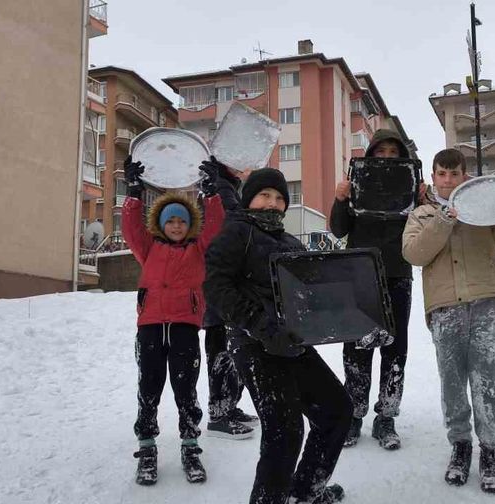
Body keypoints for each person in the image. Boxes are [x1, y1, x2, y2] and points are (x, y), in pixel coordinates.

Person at [204, 168, 352, 504]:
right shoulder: (236, 232)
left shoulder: (290, 242)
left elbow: (311, 294)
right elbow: (216, 287)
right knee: (285, 431)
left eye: (280, 198)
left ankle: (303, 493)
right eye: (265, 195)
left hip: (293, 343)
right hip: (254, 344)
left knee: (337, 409)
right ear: (249, 199)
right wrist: (261, 327)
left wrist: (354, 322)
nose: (273, 203)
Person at [402, 148, 495, 494]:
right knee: (453, 383)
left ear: (464, 175)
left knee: (486, 380)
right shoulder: (422, 214)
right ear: (433, 176)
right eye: (442, 174)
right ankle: (460, 447)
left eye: (454, 174)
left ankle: (490, 450)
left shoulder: (481, 206)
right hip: (444, 309)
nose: (448, 180)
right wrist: (445, 220)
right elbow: (414, 254)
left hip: (483, 302)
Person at [122, 156, 227, 486]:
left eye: (182, 221)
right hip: (151, 328)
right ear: (161, 224)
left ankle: (190, 446)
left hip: (184, 328)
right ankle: (147, 447)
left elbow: (215, 226)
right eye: (171, 221)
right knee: (148, 388)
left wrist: (211, 194)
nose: (177, 226)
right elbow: (131, 228)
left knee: (186, 390)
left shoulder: (199, 250)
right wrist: (134, 193)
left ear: (189, 225)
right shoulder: (148, 249)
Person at [330, 129, 421, 450]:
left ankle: (386, 417)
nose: (386, 158)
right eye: (379, 152)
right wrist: (340, 199)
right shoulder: (357, 184)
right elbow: (339, 229)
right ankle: (353, 415)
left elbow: (424, 227)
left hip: (398, 274)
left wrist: (421, 200)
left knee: (395, 349)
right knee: (357, 348)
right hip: (360, 275)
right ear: (370, 156)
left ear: (402, 158)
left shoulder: (411, 188)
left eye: (392, 153)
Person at [198, 159, 260, 440]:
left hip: (225, 289)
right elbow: (228, 226)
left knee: (231, 354)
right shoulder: (220, 188)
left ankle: (229, 406)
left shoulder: (230, 187)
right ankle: (220, 415)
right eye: (234, 161)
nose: (241, 165)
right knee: (222, 354)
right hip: (218, 291)